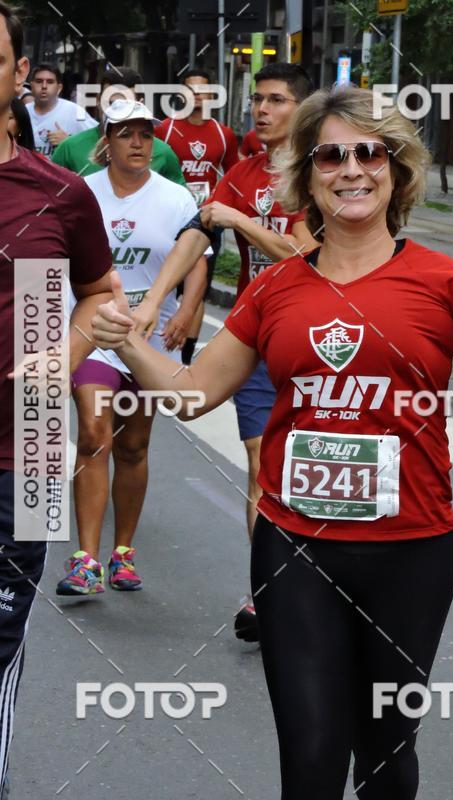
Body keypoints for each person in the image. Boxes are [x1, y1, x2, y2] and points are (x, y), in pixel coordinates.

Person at [91, 85, 453, 799]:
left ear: (398, 170)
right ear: (309, 177)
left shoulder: (447, 280)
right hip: (295, 548)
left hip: (412, 551)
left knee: (386, 756)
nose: (351, 168)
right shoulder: (275, 289)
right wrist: (129, 343)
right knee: (313, 754)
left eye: (369, 152)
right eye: (331, 154)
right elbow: (195, 394)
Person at [133, 62, 317, 640]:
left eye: (277, 100)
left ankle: (322, 585)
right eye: (258, 100)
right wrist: (155, 302)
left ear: (304, 109)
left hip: (319, 342)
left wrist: (237, 217)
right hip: (258, 337)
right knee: (262, 467)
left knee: (307, 471)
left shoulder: (326, 171)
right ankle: (266, 590)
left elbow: (303, 254)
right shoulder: (241, 171)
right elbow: (198, 233)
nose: (262, 110)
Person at [0, 3, 113, 795]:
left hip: (27, 451)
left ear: (16, 76)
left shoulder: (60, 191)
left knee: (0, 644)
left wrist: (62, 354)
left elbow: (103, 296)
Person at [56, 99, 204, 595]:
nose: (139, 143)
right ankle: (85, 560)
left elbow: (196, 258)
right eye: (127, 134)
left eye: (146, 133)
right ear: (107, 140)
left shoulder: (177, 198)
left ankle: (123, 552)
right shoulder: (81, 193)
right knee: (95, 432)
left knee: (133, 446)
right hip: (95, 333)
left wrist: (186, 310)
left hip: (148, 341)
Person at [155, 68, 239, 362]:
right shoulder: (164, 129)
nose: (197, 96)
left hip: (206, 220)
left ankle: (186, 357)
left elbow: (232, 177)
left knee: (197, 288)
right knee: (166, 284)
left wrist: (223, 208)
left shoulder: (223, 134)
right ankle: (155, 343)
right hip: (169, 219)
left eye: (203, 90)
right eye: (191, 89)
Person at [52, 66, 186, 186]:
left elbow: (180, 204)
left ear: (140, 103)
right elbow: (49, 199)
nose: (117, 110)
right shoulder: (69, 149)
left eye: (125, 104)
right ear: (98, 100)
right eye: (111, 103)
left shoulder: (163, 153)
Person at [26, 62, 96, 156]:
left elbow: (98, 141)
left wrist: (68, 141)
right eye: (39, 81)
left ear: (59, 88)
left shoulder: (74, 111)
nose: (44, 86)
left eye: (50, 82)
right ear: (32, 86)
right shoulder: (23, 112)